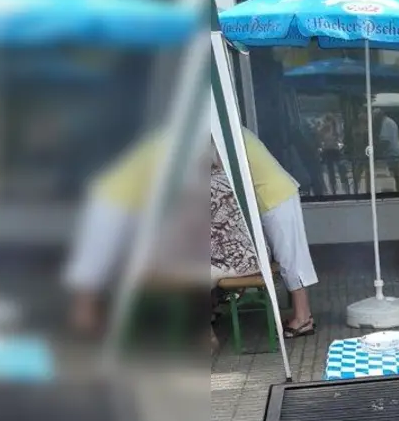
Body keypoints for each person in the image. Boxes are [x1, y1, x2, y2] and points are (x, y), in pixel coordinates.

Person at [63, 126, 319, 339]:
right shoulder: (212, 134)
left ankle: (303, 317)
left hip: (276, 196)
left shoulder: (217, 135)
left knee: (291, 257)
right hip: (117, 198)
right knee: (96, 262)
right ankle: (86, 319)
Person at [376, 108, 399, 192]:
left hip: (392, 152)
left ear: (380, 115)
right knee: (395, 173)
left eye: (375, 117)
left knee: (394, 173)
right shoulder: (389, 122)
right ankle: (398, 190)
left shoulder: (386, 123)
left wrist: (378, 152)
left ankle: (396, 190)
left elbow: (385, 141)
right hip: (394, 150)